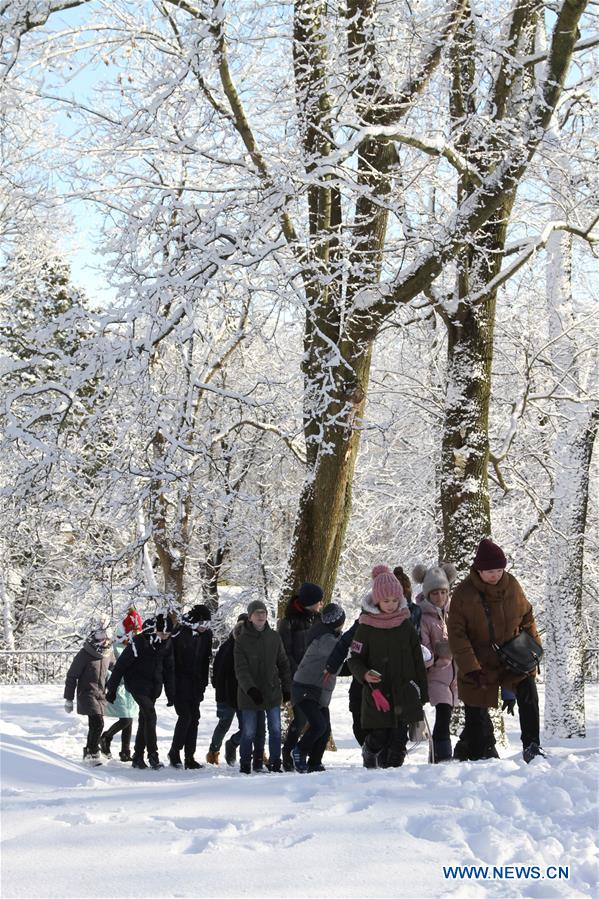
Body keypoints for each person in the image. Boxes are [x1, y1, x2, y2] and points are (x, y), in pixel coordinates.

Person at [447, 538, 544, 763]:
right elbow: (457, 635)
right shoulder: (464, 594)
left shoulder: (512, 585)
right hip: (479, 662)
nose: (495, 575)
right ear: (479, 570)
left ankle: (532, 746)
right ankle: (475, 751)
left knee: (528, 693)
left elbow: (527, 617)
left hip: (513, 657)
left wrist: (534, 652)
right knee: (476, 714)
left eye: (499, 570)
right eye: (490, 571)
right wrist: (471, 668)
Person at [348, 565, 429, 769]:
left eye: (394, 600)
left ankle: (393, 777)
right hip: (378, 693)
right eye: (386, 601)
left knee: (399, 740)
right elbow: (354, 659)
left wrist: (422, 691)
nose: (391, 605)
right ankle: (369, 751)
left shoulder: (405, 625)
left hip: (404, 691)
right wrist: (364, 674)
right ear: (377, 600)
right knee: (380, 736)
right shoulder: (366, 626)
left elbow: (417, 659)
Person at [105, 612, 175, 770]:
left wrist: (171, 693)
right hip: (137, 684)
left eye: (168, 634)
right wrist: (112, 690)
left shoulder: (167, 643)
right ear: (155, 630)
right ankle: (153, 755)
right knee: (150, 715)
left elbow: (169, 669)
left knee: (145, 720)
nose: (165, 637)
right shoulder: (139, 642)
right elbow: (120, 666)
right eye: (162, 633)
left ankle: (137, 757)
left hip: (154, 686)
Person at [234, 599, 291, 774]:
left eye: (263, 613)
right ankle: (245, 763)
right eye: (257, 613)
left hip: (272, 691)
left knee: (275, 730)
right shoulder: (241, 641)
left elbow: (283, 663)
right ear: (250, 617)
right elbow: (241, 670)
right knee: (249, 731)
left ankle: (275, 762)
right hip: (249, 695)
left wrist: (286, 687)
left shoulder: (274, 637)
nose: (261, 616)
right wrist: (250, 689)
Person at [206, 614, 266, 768]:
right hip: (227, 696)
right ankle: (213, 751)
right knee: (224, 724)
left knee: (248, 727)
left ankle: (235, 744)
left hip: (244, 695)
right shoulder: (228, 648)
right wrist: (221, 694)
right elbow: (219, 673)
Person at [291, 602, 346, 772]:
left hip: (317, 690)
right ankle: (299, 750)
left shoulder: (331, 636)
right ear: (339, 622)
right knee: (319, 725)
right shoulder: (326, 640)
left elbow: (340, 665)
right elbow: (341, 657)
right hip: (305, 688)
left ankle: (315, 763)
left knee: (325, 729)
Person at [412, 563, 458, 762]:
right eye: (435, 593)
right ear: (427, 594)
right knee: (443, 713)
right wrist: (439, 653)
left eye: (443, 592)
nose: (440, 597)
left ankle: (437, 754)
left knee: (448, 714)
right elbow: (423, 651)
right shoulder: (424, 618)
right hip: (436, 675)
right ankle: (442, 755)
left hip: (455, 675)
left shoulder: (454, 613)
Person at [278, 582, 324, 770]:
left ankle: (310, 756)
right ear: (310, 602)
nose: (321, 604)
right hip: (297, 677)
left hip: (317, 678)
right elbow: (285, 653)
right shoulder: (288, 622)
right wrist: (299, 672)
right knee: (301, 718)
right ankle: (288, 752)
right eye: (318, 601)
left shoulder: (319, 619)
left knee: (318, 720)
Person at [168, 604, 212, 770]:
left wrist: (203, 683)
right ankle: (174, 751)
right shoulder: (179, 634)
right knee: (185, 716)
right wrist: (171, 686)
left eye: (207, 624)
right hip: (180, 683)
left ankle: (189, 756)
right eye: (202, 623)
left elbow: (205, 660)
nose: (204, 627)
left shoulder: (207, 635)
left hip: (196, 684)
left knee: (194, 718)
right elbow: (171, 661)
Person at [64, 617, 114, 764]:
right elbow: (72, 676)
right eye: (101, 638)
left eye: (107, 638)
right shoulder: (84, 654)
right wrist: (68, 699)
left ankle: (89, 750)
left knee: (95, 724)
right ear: (95, 637)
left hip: (101, 694)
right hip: (87, 693)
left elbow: (115, 668)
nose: (105, 641)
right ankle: (93, 751)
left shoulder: (108, 653)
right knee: (98, 723)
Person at [100, 609, 142, 761]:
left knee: (129, 718)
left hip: (131, 687)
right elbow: (111, 668)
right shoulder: (116, 647)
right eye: (134, 631)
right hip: (119, 687)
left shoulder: (135, 645)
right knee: (126, 719)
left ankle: (125, 751)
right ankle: (106, 737)